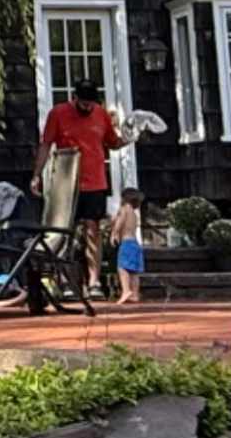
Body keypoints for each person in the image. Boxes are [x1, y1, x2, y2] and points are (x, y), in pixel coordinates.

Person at [36, 78, 121, 294]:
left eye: (90, 104)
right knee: (64, 231)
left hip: (95, 181)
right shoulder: (58, 113)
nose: (87, 107)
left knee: (93, 230)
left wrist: (131, 134)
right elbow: (46, 144)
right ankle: (66, 281)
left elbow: (112, 142)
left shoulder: (100, 114)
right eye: (84, 103)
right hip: (67, 182)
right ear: (75, 98)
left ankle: (93, 282)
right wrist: (37, 174)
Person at [108, 188, 147, 306]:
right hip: (135, 244)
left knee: (122, 267)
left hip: (126, 243)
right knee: (134, 271)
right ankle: (135, 293)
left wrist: (114, 233)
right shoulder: (134, 214)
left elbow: (120, 222)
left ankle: (126, 290)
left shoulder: (124, 209)